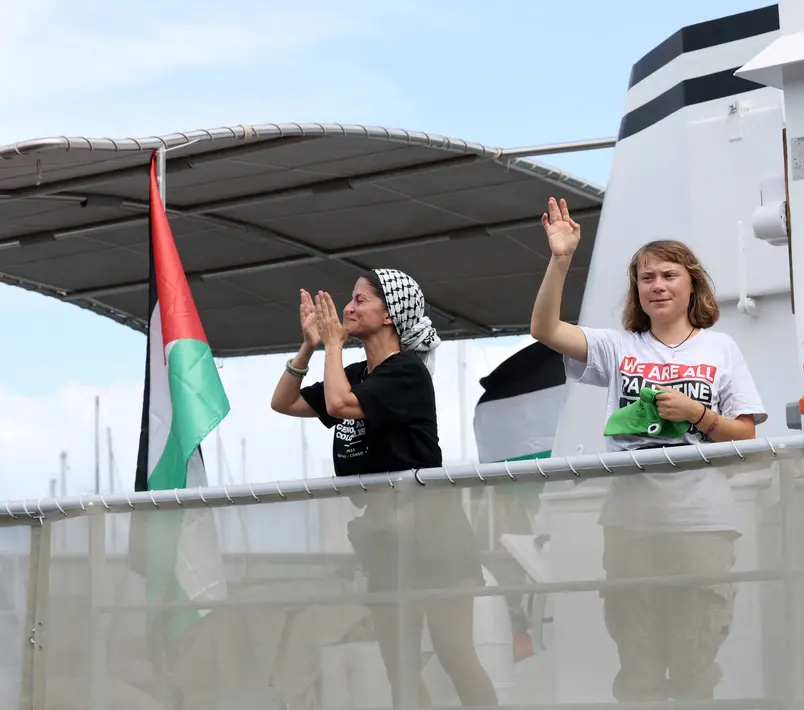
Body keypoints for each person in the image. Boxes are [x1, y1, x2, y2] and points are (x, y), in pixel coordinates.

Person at [530, 197, 767, 702]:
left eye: (668, 275)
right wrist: (561, 259)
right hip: (629, 522)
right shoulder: (619, 346)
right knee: (636, 663)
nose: (657, 286)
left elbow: (746, 435)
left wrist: (697, 415)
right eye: (646, 278)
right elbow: (544, 331)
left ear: (691, 284)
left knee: (694, 662)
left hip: (702, 522)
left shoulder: (720, 348)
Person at [270, 269, 498, 707]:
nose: (349, 308)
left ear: (390, 314)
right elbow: (284, 402)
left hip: (435, 534)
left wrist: (334, 345)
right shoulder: (354, 372)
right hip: (383, 535)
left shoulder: (406, 373)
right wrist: (309, 347)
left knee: (455, 653)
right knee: (400, 668)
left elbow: (339, 405)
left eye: (359, 300)